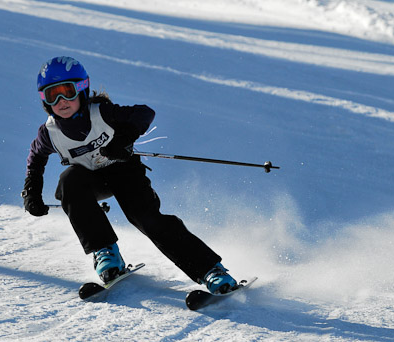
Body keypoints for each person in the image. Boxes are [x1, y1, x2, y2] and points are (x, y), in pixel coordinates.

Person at [22, 56, 238, 294]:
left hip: (125, 172)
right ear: (45, 100)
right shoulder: (49, 133)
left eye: (68, 91)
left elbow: (144, 113)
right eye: (53, 95)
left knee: (146, 219)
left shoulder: (101, 112)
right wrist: (31, 191)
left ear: (82, 89)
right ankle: (106, 254)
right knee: (68, 181)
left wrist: (125, 138)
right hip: (91, 181)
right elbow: (35, 159)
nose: (62, 101)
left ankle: (211, 270)